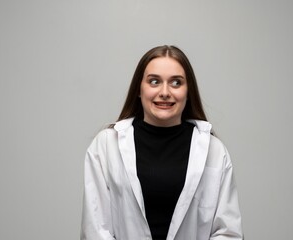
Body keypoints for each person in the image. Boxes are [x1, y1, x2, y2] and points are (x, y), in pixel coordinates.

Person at [81, 45, 243, 240]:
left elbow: (228, 232)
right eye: (154, 81)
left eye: (176, 83)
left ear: (187, 91)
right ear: (139, 89)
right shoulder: (106, 145)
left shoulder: (214, 151)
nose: (165, 92)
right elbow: (95, 230)